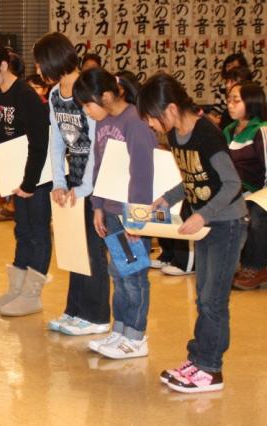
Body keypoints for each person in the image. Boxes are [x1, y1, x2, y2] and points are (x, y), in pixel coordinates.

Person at [139, 73, 248, 394]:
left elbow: (232, 184)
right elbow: (190, 179)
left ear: (171, 108)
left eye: (152, 118)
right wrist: (166, 199)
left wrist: (202, 215)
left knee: (214, 301)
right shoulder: (175, 135)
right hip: (207, 226)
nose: (152, 125)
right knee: (203, 299)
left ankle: (211, 370)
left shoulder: (207, 135)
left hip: (227, 224)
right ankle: (198, 358)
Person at [74, 67, 156, 359]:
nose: (86, 110)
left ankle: (136, 337)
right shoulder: (104, 122)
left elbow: (143, 173)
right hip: (110, 212)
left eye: (87, 103)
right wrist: (97, 205)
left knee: (133, 276)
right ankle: (120, 331)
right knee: (118, 274)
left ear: (106, 96)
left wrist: (136, 217)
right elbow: (99, 165)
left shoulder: (135, 122)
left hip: (129, 216)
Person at [33, 32, 111, 336]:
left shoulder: (86, 88)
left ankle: (97, 316)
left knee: (93, 251)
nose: (38, 69)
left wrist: (82, 189)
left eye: (40, 63)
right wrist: (59, 181)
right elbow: (55, 140)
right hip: (73, 181)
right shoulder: (54, 95)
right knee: (73, 249)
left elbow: (96, 145)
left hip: (96, 183)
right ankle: (75, 310)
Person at [0, 39, 51, 316]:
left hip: (36, 178)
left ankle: (32, 295)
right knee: (22, 230)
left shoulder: (26, 95)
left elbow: (39, 144)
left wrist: (29, 183)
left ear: (3, 66)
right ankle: (16, 290)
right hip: (14, 175)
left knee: (38, 232)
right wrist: (3, 179)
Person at [223, 81, 267, 289]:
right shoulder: (229, 130)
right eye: (228, 99)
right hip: (236, 190)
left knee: (257, 212)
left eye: (236, 100)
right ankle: (225, 263)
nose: (230, 104)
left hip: (260, 191)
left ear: (251, 102)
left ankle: (256, 267)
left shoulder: (261, 130)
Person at [209, 53, 249, 128]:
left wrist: (219, 120)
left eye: (233, 66)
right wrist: (210, 117)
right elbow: (216, 108)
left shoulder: (250, 90)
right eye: (228, 66)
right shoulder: (222, 88)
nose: (230, 69)